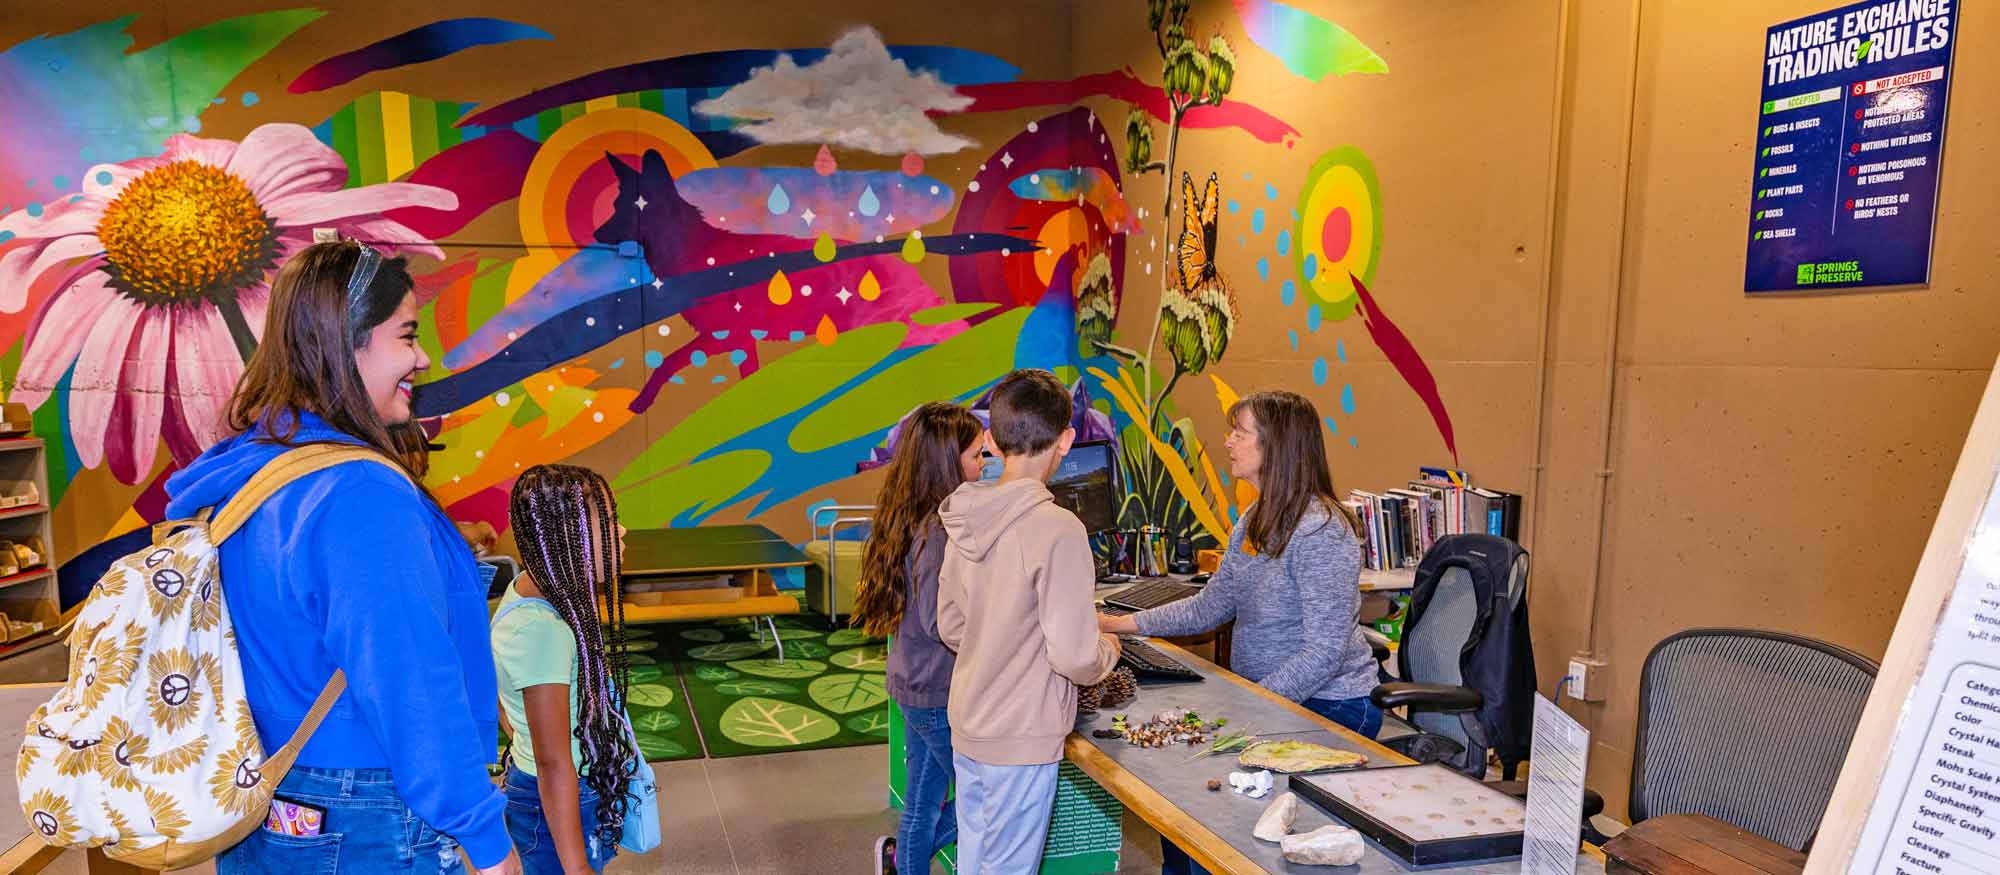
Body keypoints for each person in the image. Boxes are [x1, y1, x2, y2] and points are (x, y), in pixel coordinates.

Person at [166, 241, 519, 874]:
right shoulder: (357, 490)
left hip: (270, 787)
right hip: (365, 803)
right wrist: (483, 836)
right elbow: (409, 677)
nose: (422, 357)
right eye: (407, 336)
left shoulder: (259, 466)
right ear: (346, 341)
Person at [1097, 389, 1375, 875]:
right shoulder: (1253, 518)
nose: (1228, 442)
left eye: (1240, 432)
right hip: (1273, 701)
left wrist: (1252, 708)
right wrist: (1117, 623)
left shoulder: (1324, 531)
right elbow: (1212, 605)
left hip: (1330, 705)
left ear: (1277, 447)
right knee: (1179, 803)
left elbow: (1325, 653)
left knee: (1222, 817)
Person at [937, 370, 1122, 875]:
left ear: (992, 441)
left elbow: (952, 627)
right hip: (1021, 733)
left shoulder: (963, 515)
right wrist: (1109, 646)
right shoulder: (1058, 528)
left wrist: (1001, 639)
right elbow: (1075, 655)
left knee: (974, 860)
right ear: (1066, 439)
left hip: (969, 721)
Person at [851, 402, 988, 875]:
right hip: (937, 692)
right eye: (977, 456)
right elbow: (940, 621)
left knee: (923, 804)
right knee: (985, 800)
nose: (984, 465)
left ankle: (900, 862)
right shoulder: (940, 531)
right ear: (948, 463)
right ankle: (902, 858)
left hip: (916, 683)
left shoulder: (914, 516)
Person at [491, 464, 638, 875]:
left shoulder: (531, 588)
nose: (621, 532)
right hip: (554, 798)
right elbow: (553, 763)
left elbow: (493, 689)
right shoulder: (541, 630)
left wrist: (520, 729)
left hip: (562, 789)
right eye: (609, 521)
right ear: (565, 536)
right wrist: (575, 868)